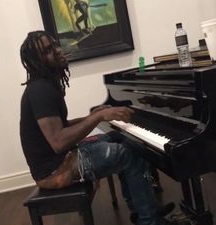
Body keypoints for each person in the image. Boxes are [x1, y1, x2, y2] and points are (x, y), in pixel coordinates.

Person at [19, 30, 176, 225]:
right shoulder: (40, 90)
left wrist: (91, 116)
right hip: (54, 171)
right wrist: (99, 116)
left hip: (62, 159)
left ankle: (144, 210)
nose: (58, 50)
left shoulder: (46, 85)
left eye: (55, 45)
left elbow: (62, 126)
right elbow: (58, 142)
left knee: (123, 140)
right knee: (126, 154)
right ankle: (149, 220)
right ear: (36, 60)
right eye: (49, 50)